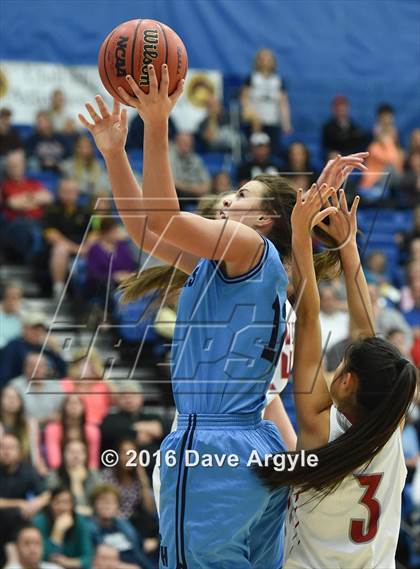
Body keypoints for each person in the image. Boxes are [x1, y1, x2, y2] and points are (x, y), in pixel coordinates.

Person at [78, 66, 366, 568]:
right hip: (257, 444)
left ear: (264, 221)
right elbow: (149, 235)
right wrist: (114, 154)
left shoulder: (249, 246)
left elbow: (163, 221)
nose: (226, 201)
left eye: (240, 197)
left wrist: (157, 121)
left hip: (213, 448)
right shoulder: (249, 268)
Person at [259, 186, 418, 568]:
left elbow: (311, 318)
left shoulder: (319, 428)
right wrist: (345, 246)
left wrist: (304, 236)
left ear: (347, 381)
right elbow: (361, 334)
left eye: (343, 363)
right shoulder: (389, 423)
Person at [0, 433, 50, 563]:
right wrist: (20, 503)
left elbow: (46, 494)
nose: (6, 452)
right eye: (2, 447)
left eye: (11, 448)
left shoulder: (27, 470)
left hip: (22, 517)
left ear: (20, 452)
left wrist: (35, 504)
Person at [100, 438, 158, 547]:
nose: (128, 458)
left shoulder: (137, 480)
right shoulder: (107, 475)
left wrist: (141, 474)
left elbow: (150, 509)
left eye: (132, 454)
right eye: (124, 453)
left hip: (132, 521)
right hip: (112, 520)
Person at [43, 177, 92, 299]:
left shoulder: (85, 211)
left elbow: (94, 233)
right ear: (59, 192)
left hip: (82, 247)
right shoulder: (51, 210)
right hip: (58, 250)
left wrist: (87, 247)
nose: (69, 195)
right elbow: (51, 235)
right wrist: (76, 249)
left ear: (77, 193)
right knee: (60, 249)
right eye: (65, 191)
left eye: (72, 191)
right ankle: (58, 288)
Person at [0, 150, 53, 262]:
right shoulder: (5, 186)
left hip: (40, 220)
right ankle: (32, 263)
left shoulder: (34, 183)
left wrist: (25, 199)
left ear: (24, 166)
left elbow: (48, 198)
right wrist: (35, 199)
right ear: (7, 169)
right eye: (11, 166)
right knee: (33, 233)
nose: (14, 169)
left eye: (17, 166)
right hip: (18, 222)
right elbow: (13, 204)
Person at [100, 381, 164, 472]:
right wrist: (136, 431)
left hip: (153, 469)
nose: (128, 399)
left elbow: (166, 429)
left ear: (141, 398)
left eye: (133, 395)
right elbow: (107, 431)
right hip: (121, 473)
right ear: (117, 400)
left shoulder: (153, 417)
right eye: (124, 396)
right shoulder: (110, 419)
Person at [87, 483, 155, 569]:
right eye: (102, 501)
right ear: (94, 505)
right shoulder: (88, 528)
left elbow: (139, 546)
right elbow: (91, 561)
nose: (107, 505)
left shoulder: (123, 524)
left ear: (117, 506)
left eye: (111, 502)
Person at [240, 47, 292, 152]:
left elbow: (283, 103)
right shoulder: (251, 78)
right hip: (255, 121)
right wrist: (249, 114)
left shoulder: (278, 80)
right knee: (255, 146)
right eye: (262, 58)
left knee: (272, 149)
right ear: (257, 61)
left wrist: (286, 123)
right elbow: (244, 99)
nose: (265, 61)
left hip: (272, 120)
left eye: (268, 59)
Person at [0, 313, 67, 387]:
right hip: (21, 389)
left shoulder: (46, 349)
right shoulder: (13, 347)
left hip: (45, 390)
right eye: (34, 328)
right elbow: (4, 376)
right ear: (24, 328)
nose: (38, 332)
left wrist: (56, 350)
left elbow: (64, 372)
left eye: (41, 329)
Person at [34, 486, 93, 569]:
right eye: (57, 502)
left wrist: (67, 562)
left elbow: (88, 559)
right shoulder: (39, 521)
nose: (62, 507)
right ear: (50, 504)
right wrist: (57, 532)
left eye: (66, 502)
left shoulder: (79, 522)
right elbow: (41, 557)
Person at [44, 394, 101, 469]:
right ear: (64, 407)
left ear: (83, 407)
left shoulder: (92, 431)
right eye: (70, 403)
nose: (74, 406)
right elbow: (54, 461)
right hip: (60, 471)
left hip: (86, 470)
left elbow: (93, 461)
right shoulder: (52, 429)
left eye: (77, 403)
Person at [47, 440, 101, 516]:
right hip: (65, 515)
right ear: (64, 455)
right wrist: (75, 481)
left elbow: (100, 498)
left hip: (93, 516)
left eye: (79, 452)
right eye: (71, 452)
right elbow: (52, 499)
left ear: (85, 455)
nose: (76, 456)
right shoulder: (55, 474)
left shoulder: (93, 474)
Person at [61, 347, 112, 426]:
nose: (85, 367)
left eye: (90, 362)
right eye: (82, 363)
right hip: (75, 426)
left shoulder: (103, 384)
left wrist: (105, 378)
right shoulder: (66, 383)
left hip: (101, 426)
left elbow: (117, 401)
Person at [0, 385, 45, 474]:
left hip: (24, 468)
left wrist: (38, 466)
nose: (11, 400)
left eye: (15, 398)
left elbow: (34, 451)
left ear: (21, 402)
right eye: (8, 397)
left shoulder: (30, 424)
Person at [168, 132, 210, 208]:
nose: (186, 145)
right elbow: (172, 182)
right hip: (177, 193)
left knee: (207, 199)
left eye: (188, 143)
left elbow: (206, 184)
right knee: (175, 194)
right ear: (176, 143)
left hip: (193, 193)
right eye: (183, 142)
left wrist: (195, 190)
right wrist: (193, 189)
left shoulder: (196, 160)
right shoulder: (169, 157)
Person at [0, 281, 24, 349]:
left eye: (16, 297)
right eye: (9, 297)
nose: (12, 301)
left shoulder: (22, 318)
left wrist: (20, 317)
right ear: (4, 298)